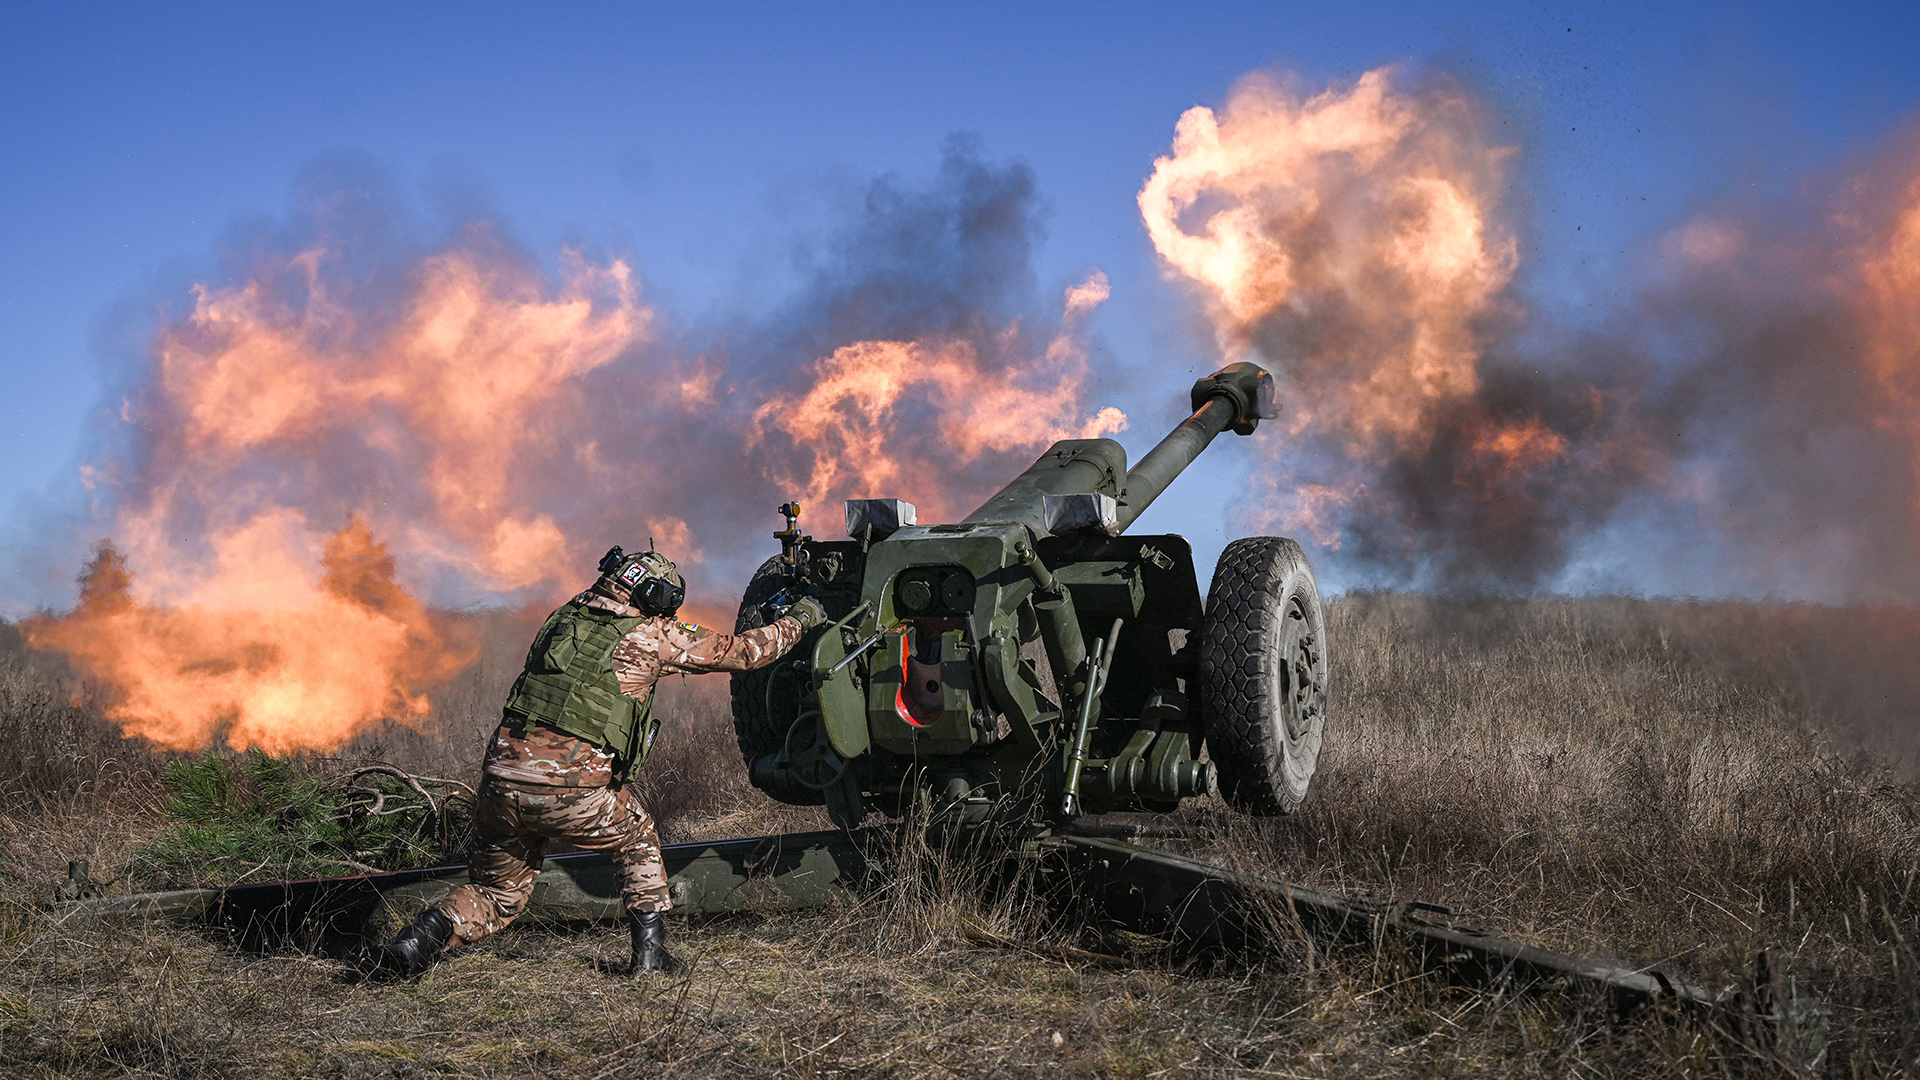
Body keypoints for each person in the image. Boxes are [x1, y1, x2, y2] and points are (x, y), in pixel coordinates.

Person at [374, 545, 824, 978]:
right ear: (656, 597)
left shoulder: (561, 618)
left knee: (497, 892)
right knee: (638, 835)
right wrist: (803, 617)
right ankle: (650, 957)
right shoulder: (650, 635)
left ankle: (416, 941)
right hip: (569, 789)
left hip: (500, 780)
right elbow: (747, 652)